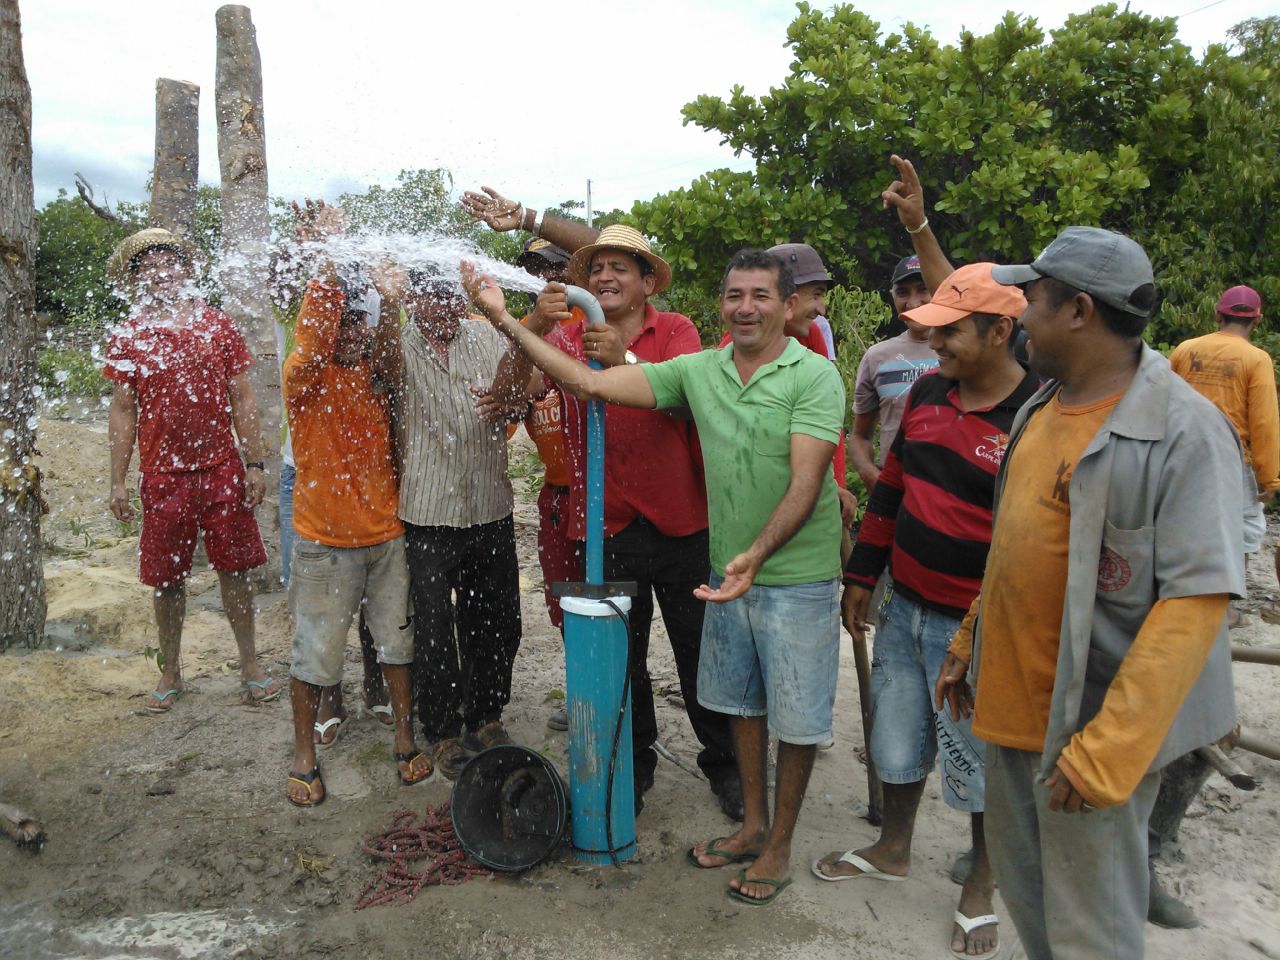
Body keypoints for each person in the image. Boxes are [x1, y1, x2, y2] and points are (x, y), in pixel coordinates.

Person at [464, 247, 844, 905]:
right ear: (723, 305)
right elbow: (582, 386)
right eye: (735, 295)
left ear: (787, 306)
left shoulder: (802, 372)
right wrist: (508, 319)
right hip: (687, 551)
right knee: (726, 694)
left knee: (787, 711)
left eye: (760, 296)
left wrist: (756, 553)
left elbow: (805, 481)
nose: (746, 307)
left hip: (768, 562)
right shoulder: (696, 367)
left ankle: (768, 830)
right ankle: (741, 820)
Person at [935, 227, 1243, 960]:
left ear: (1078, 311)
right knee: (1034, 910)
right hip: (1010, 717)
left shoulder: (1184, 432)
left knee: (1091, 935)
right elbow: (1017, 548)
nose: (1020, 313)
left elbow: (1194, 605)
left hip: (1087, 735)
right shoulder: (1041, 409)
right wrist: (970, 639)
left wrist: (1105, 753)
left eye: (1033, 298)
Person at [484, 221, 741, 820]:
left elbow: (685, 401)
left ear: (647, 282)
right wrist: (535, 326)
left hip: (682, 523)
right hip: (605, 526)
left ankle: (727, 764)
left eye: (619, 267)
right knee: (622, 659)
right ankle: (634, 764)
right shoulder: (567, 336)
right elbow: (509, 393)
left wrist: (620, 358)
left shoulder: (675, 331)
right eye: (595, 268)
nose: (604, 276)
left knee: (700, 653)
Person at [816, 262, 1035, 960]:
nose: (933, 344)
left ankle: (980, 884)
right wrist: (863, 575)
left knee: (979, 757)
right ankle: (894, 845)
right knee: (898, 734)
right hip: (904, 603)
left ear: (999, 332)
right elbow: (891, 490)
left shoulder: (1035, 416)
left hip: (977, 626)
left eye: (950, 332)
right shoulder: (930, 392)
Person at [104, 228, 279, 712]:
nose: (161, 272)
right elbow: (123, 410)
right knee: (167, 579)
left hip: (222, 469)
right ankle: (171, 670)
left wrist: (254, 463)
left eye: (169, 262)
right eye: (149, 265)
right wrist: (117, 480)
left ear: (186, 269)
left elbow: (242, 396)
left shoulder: (216, 325)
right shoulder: (130, 334)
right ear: (137, 278)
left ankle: (249, 664)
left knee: (236, 570)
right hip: (163, 475)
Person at [281, 266, 430, 806]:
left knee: (398, 644)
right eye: (339, 323)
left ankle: (404, 740)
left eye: (357, 323)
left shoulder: (377, 372)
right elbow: (311, 340)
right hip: (324, 543)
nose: (349, 333)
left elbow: (390, 352)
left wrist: (389, 303)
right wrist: (327, 268)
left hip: (386, 537)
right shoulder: (305, 376)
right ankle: (304, 756)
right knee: (316, 654)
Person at [381, 268, 525, 781]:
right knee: (434, 628)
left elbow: (524, 383)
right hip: (428, 514)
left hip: (489, 505)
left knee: (497, 619)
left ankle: (486, 716)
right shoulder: (398, 346)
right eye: (431, 295)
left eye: (450, 293)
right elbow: (379, 365)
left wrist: (515, 398)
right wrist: (387, 301)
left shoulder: (485, 336)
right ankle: (441, 729)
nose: (442, 304)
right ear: (413, 300)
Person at [273, 198, 395, 744]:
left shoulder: (373, 284)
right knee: (318, 602)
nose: (351, 327)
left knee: (374, 594)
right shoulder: (301, 285)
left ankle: (375, 681)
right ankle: (329, 695)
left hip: (368, 478)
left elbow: (386, 349)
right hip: (308, 475)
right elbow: (299, 310)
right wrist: (314, 251)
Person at [1170, 284, 1278, 626]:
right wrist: (1269, 478)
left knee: (1185, 524)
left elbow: (1164, 400)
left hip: (1181, 453)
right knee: (1240, 531)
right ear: (1257, 320)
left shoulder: (1186, 349)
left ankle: (1179, 600)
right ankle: (1225, 611)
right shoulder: (1256, 359)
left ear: (1218, 315)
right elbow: (1263, 422)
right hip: (1231, 460)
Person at [848, 254, 937, 491]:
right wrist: (871, 475)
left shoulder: (963, 352)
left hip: (950, 494)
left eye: (923, 289)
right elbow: (859, 437)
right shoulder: (877, 356)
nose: (913, 302)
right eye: (903, 293)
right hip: (896, 494)